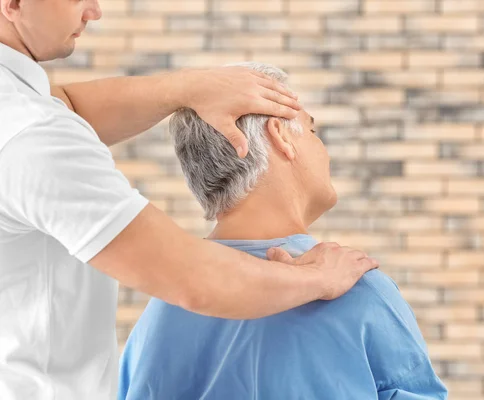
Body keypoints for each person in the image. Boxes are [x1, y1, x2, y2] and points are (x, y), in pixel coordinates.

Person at [0, 2, 378, 399]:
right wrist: (319, 276)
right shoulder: (33, 134)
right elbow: (197, 282)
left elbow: (66, 107)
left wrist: (185, 88)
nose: (94, 11)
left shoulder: (21, 108)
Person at [119, 62, 448, 400]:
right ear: (280, 135)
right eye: (312, 131)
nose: (324, 152)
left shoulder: (160, 314)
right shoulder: (353, 285)